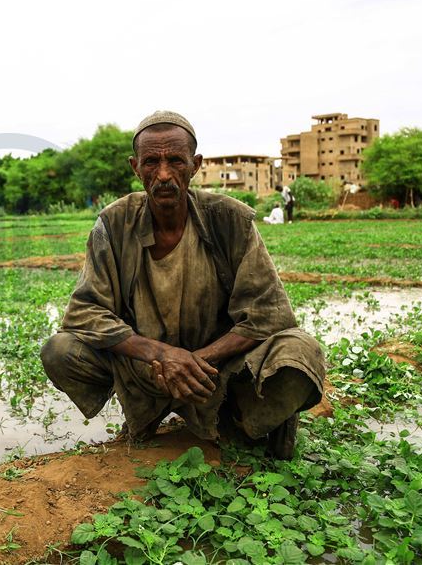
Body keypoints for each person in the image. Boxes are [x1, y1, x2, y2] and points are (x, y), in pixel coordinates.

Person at [40, 110, 325, 459]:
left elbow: (267, 314)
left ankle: (236, 418)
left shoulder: (230, 219)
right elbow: (83, 312)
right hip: (143, 369)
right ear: (135, 167)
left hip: (216, 371)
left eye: (175, 160)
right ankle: (147, 410)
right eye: (151, 162)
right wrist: (161, 356)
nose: (163, 174)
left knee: (300, 351)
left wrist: (194, 362)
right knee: (60, 350)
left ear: (195, 165)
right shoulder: (114, 223)